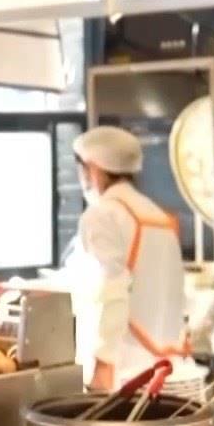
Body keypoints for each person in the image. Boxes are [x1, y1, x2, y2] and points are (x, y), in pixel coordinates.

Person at [64, 126, 187, 391]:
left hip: (124, 373)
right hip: (166, 370)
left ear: (93, 168)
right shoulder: (158, 215)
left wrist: (102, 363)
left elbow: (110, 291)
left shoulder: (102, 215)